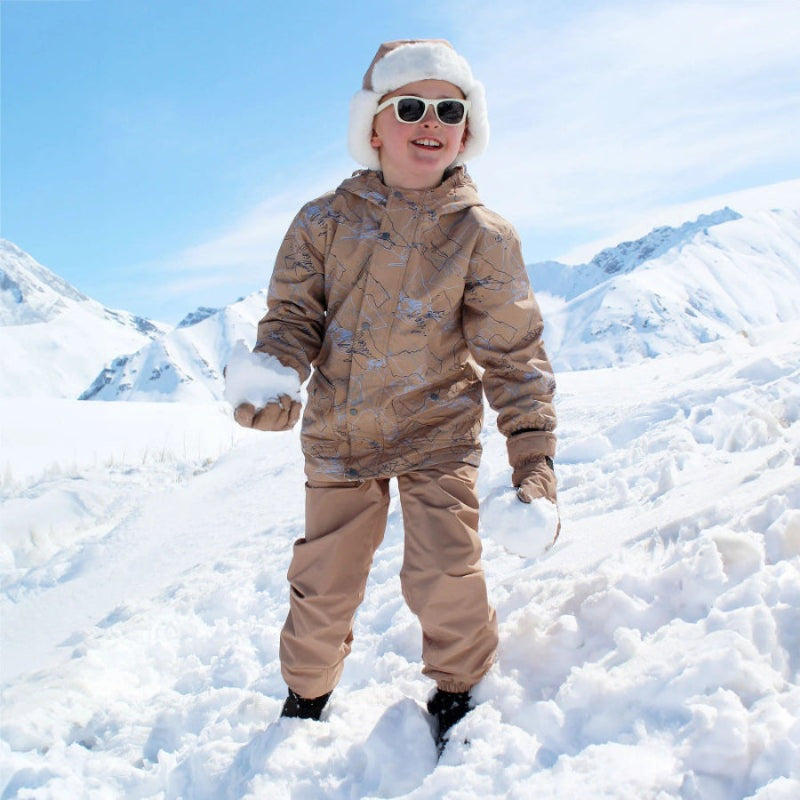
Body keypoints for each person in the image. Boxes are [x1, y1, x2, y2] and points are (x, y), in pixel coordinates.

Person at [230, 39, 557, 753]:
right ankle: (305, 699)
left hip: (438, 430)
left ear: (467, 129)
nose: (430, 120)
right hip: (343, 436)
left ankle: (461, 691)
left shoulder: (483, 236)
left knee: (446, 568)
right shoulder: (323, 223)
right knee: (325, 583)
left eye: (449, 108)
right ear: (374, 127)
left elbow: (514, 355)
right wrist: (276, 379)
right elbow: (292, 319)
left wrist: (534, 462)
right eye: (410, 106)